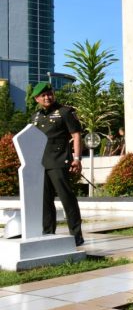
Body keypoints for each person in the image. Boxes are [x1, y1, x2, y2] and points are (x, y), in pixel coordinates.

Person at [30, 82, 84, 246]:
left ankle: (76, 235)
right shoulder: (35, 117)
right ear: (36, 99)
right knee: (45, 201)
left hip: (59, 161)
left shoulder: (65, 112)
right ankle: (48, 233)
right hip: (40, 163)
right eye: (43, 95)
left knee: (67, 199)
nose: (47, 97)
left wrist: (77, 158)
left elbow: (76, 135)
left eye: (50, 94)